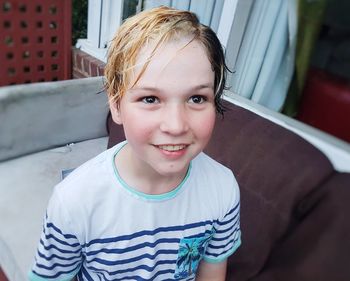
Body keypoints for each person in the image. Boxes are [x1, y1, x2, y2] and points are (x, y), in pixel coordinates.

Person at [29, 6, 241, 281]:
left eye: (197, 98)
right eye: (150, 99)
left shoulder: (222, 189)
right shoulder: (74, 203)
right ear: (116, 106)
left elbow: (211, 273)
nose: (176, 126)